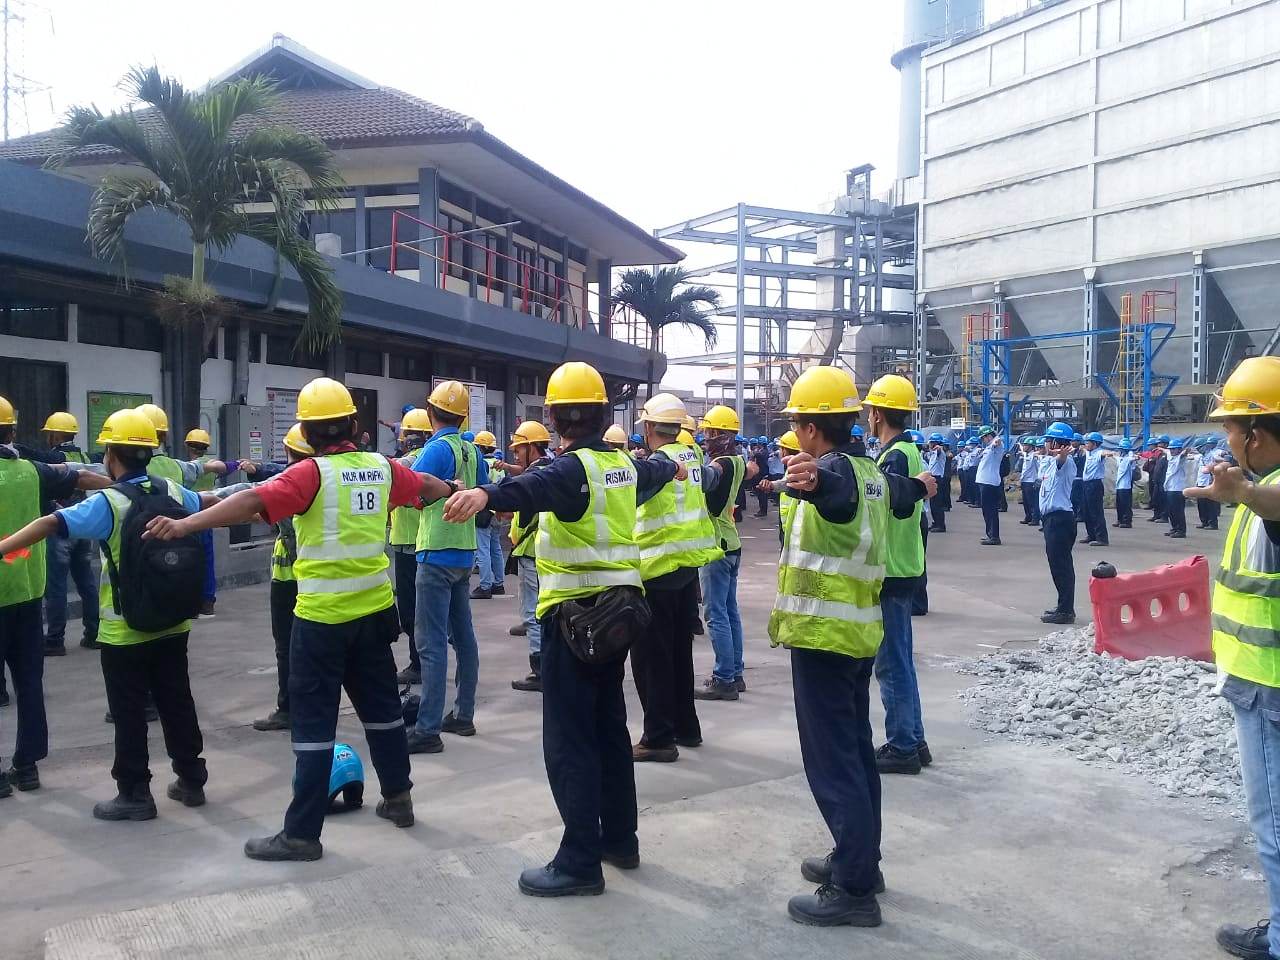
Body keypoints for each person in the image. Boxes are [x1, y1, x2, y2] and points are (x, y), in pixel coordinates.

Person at [143, 377, 455, 860]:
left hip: (321, 620)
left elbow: (249, 501)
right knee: (383, 712)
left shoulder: (309, 475)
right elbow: (429, 487)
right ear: (354, 424)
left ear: (306, 433)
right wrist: (458, 490)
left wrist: (185, 524)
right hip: (374, 615)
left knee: (313, 725)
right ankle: (398, 799)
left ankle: (302, 834)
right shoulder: (382, 468)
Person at [440, 361, 681, 897]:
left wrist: (484, 495)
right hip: (618, 618)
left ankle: (578, 860)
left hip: (574, 623)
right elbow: (657, 471)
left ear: (555, 417)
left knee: (570, 739)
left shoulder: (571, 470)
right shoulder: (621, 464)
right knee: (609, 730)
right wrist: (678, 470)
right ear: (599, 413)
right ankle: (620, 840)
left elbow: (530, 487)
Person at [768, 365, 931, 927]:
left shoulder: (835, 473)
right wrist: (925, 485)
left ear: (813, 430)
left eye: (798, 425)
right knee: (856, 750)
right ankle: (860, 860)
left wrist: (812, 481)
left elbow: (831, 494)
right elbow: (906, 492)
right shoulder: (875, 471)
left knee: (834, 760)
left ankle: (855, 890)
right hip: (857, 633)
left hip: (823, 636)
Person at [1174, 358, 1280, 960]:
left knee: (1273, 829)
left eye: (1231, 430)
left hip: (1269, 691)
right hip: (1257, 686)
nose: (1226, 441)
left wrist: (1245, 493)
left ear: (1256, 435)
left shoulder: (1269, 497)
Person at [0, 396, 111, 797]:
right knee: (29, 682)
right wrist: (123, 486)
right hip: (28, 594)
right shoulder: (33, 471)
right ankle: (26, 766)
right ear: (13, 432)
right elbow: (80, 479)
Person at [629, 393, 721, 762]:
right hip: (686, 569)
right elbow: (714, 481)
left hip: (656, 571)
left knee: (653, 659)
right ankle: (686, 727)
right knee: (680, 655)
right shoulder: (693, 457)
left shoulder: (658, 465)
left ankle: (658, 738)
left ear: (650, 428)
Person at [408, 381, 488, 753]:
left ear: (430, 412)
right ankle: (464, 714)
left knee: (431, 644)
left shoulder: (436, 449)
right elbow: (486, 494)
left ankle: (426, 729)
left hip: (436, 551)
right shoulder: (472, 451)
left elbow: (412, 490)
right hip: (463, 551)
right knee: (464, 638)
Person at [862, 374, 931, 774]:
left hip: (893, 569)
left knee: (891, 663)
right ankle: (915, 738)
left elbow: (895, 507)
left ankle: (903, 744)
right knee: (900, 659)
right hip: (904, 566)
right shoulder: (906, 451)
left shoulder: (896, 457)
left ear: (877, 414)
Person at [134, 405, 229, 617]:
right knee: (197, 560)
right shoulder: (178, 466)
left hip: (151, 529)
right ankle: (201, 601)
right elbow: (222, 472)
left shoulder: (136, 468)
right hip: (189, 519)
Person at [251, 424, 314, 732]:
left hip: (288, 578)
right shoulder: (319, 480)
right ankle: (311, 704)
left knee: (286, 646)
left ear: (288, 451)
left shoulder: (286, 484)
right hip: (315, 576)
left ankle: (288, 707)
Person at [694, 404, 758, 700]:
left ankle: (724, 678)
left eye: (709, 432)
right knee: (730, 611)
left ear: (721, 435)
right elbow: (752, 469)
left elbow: (705, 478)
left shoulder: (721, 464)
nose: (704, 438)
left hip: (715, 547)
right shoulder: (738, 461)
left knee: (716, 613)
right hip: (731, 544)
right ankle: (736, 671)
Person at [38, 411, 102, 656]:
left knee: (56, 587)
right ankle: (93, 634)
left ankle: (55, 639)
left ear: (55, 434)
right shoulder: (84, 456)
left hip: (61, 526)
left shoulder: (53, 458)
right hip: (83, 528)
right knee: (86, 583)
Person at [506, 421, 554, 691]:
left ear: (532, 448)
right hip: (550, 552)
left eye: (519, 449)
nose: (515, 455)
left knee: (532, 612)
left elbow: (520, 522)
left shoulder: (531, 478)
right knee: (547, 611)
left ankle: (539, 669)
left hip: (530, 551)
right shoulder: (556, 468)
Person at [388, 409, 432, 685]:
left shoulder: (415, 460)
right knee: (419, 608)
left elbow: (401, 469)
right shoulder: (430, 457)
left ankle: (419, 664)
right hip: (413, 541)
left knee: (412, 609)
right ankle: (422, 661)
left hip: (410, 544)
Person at [1038, 421, 1079, 625]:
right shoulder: (1048, 461)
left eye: (1048, 440)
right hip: (1051, 519)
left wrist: (1062, 454)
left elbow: (1062, 462)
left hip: (1060, 519)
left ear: (1056, 442)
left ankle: (1065, 611)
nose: (1045, 444)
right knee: (1057, 565)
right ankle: (1063, 606)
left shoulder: (1066, 462)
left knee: (1061, 566)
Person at [472, 429, 508, 600]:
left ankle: (485, 585)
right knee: (496, 548)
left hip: (484, 509)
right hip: (498, 509)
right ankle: (499, 584)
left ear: (480, 447)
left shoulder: (482, 464)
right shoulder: (500, 465)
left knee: (483, 549)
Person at [974, 425, 1004, 545]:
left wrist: (995, 440)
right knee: (986, 510)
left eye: (983, 438)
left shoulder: (996, 445)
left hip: (989, 483)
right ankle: (990, 534)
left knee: (991, 510)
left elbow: (998, 442)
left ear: (988, 436)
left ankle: (994, 536)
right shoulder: (988, 448)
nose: (983, 440)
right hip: (985, 482)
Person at [1079, 431, 1111, 547]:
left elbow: (1105, 453)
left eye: (1089, 442)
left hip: (1095, 485)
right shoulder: (1088, 452)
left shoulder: (1098, 453)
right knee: (1086, 511)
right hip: (1086, 484)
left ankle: (1101, 538)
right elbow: (1080, 446)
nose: (1086, 444)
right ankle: (1091, 535)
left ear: (1095, 444)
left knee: (1096, 512)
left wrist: (1113, 454)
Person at [1163, 436, 1192, 538]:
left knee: (1178, 510)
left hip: (1178, 489)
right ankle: (1174, 528)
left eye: (1174, 449)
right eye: (1170, 449)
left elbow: (1183, 455)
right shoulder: (1171, 457)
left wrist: (1184, 452)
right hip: (1170, 487)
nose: (1171, 451)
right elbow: (1165, 451)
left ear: (1179, 449)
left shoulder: (1181, 458)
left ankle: (1181, 530)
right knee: (1171, 510)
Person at [1195, 444, 1226, 530]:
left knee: (1210, 504)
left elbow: (1222, 458)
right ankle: (1204, 522)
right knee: (1201, 504)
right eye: (1198, 448)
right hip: (1200, 482)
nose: (1199, 449)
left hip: (1208, 482)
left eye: (1200, 447)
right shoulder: (1200, 456)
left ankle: (1212, 523)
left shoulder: (1212, 454)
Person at [926, 434, 951, 532]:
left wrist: (938, 447)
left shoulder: (939, 452)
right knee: (933, 503)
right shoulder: (933, 453)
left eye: (932, 442)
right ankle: (936, 522)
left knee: (937, 503)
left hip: (937, 479)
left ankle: (940, 525)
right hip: (932, 477)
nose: (930, 444)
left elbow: (939, 450)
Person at [1112, 438, 1138, 528]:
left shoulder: (1129, 459)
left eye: (1122, 449)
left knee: (1126, 504)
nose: (1120, 451)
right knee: (1119, 504)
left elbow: (1132, 458)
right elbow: (1116, 457)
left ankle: (1127, 521)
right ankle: (1120, 519)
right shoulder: (1122, 458)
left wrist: (1132, 454)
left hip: (1126, 485)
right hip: (1119, 485)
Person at [1018, 436, 1041, 526]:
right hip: (1024, 480)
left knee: (1032, 501)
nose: (1024, 447)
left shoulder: (1034, 456)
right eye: (1024, 445)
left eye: (1026, 445)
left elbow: (1039, 467)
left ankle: (1035, 518)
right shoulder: (1026, 455)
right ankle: (1028, 517)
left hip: (1031, 481)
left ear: (1031, 446)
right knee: (1026, 501)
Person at [1146, 436, 1169, 522]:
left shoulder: (1168, 454)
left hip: (1163, 481)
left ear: (1166, 444)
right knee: (1156, 498)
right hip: (1157, 481)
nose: (1158, 445)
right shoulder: (1160, 454)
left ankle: (1164, 516)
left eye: (1160, 443)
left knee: (1163, 499)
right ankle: (1156, 515)